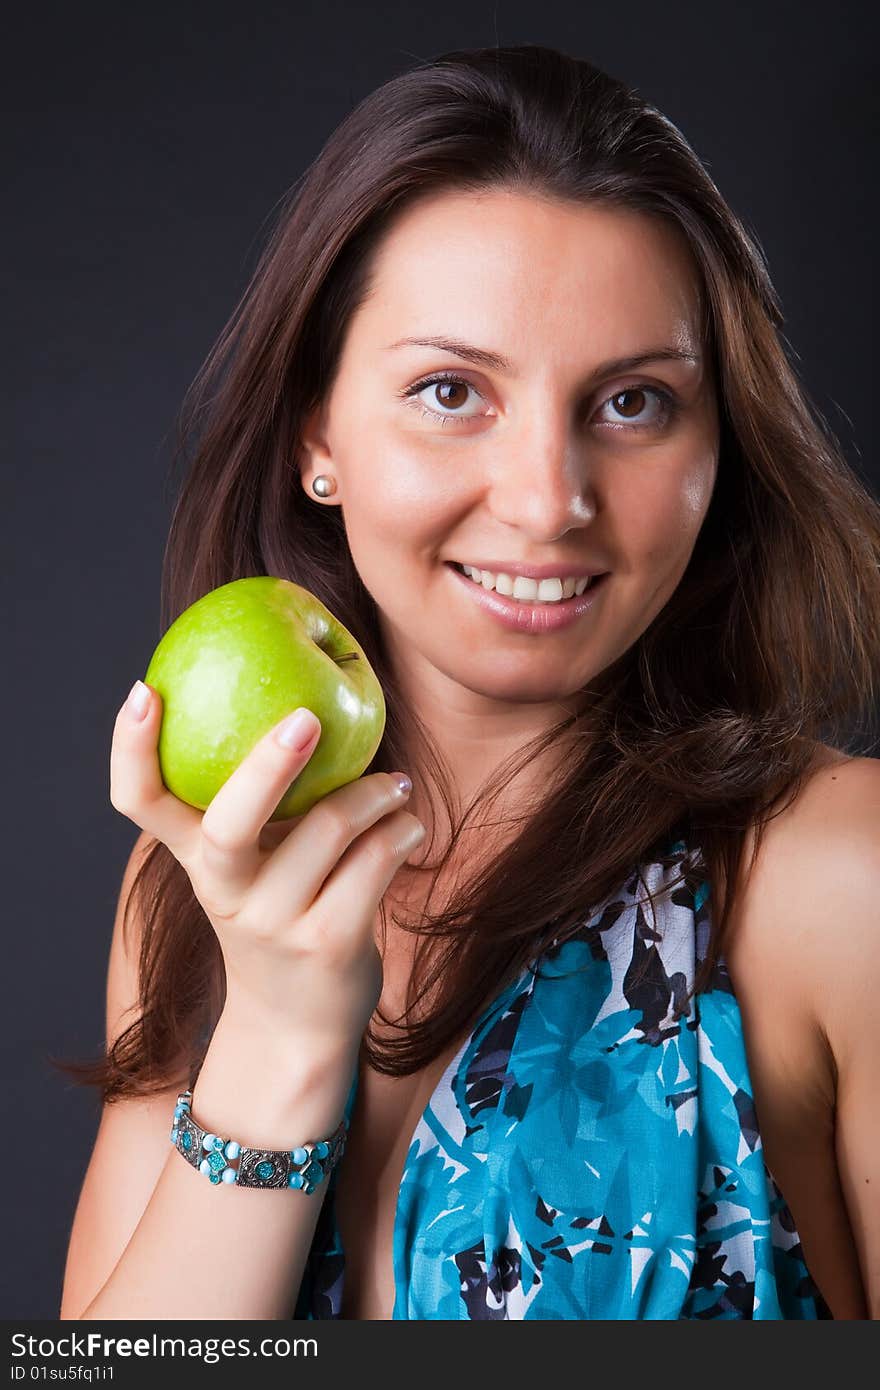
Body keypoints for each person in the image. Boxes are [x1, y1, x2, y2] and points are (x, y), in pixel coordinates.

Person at [57, 44, 879, 1321]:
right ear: (316, 440)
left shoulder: (836, 878)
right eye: (451, 392)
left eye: (632, 403)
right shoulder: (209, 876)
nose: (548, 501)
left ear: (721, 444)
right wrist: (276, 1033)